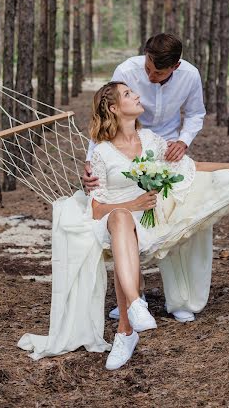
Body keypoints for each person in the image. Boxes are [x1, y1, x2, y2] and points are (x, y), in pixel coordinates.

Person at [18, 82, 229, 370]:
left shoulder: (151, 140)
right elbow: (97, 207)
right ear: (114, 108)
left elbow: (191, 166)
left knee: (124, 228)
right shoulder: (100, 153)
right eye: (128, 94)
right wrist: (133, 205)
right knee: (120, 219)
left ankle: (126, 330)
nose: (137, 96)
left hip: (152, 223)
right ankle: (135, 306)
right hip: (113, 219)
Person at [84, 33, 207, 324]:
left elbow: (195, 114)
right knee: (126, 216)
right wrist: (91, 163)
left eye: (158, 72)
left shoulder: (190, 76)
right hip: (124, 145)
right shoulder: (127, 70)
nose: (150, 75)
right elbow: (107, 112)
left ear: (175, 67)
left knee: (177, 218)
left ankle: (179, 299)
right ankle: (131, 300)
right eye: (148, 67)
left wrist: (184, 141)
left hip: (165, 149)